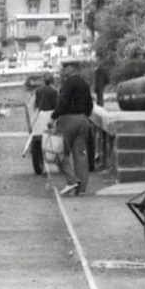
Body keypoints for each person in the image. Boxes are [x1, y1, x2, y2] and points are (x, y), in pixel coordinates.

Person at [51, 61, 96, 196]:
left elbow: (63, 102)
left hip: (68, 120)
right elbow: (90, 105)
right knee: (80, 155)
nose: (63, 71)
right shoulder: (84, 84)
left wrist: (54, 116)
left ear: (72, 69)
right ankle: (81, 188)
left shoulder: (68, 83)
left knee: (59, 152)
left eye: (66, 68)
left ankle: (71, 181)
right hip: (83, 120)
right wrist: (84, 117)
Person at [26, 75, 59, 177]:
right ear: (52, 81)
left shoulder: (38, 91)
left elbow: (35, 105)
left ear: (44, 81)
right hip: (51, 116)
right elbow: (57, 105)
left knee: (35, 134)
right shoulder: (55, 91)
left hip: (41, 117)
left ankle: (35, 150)